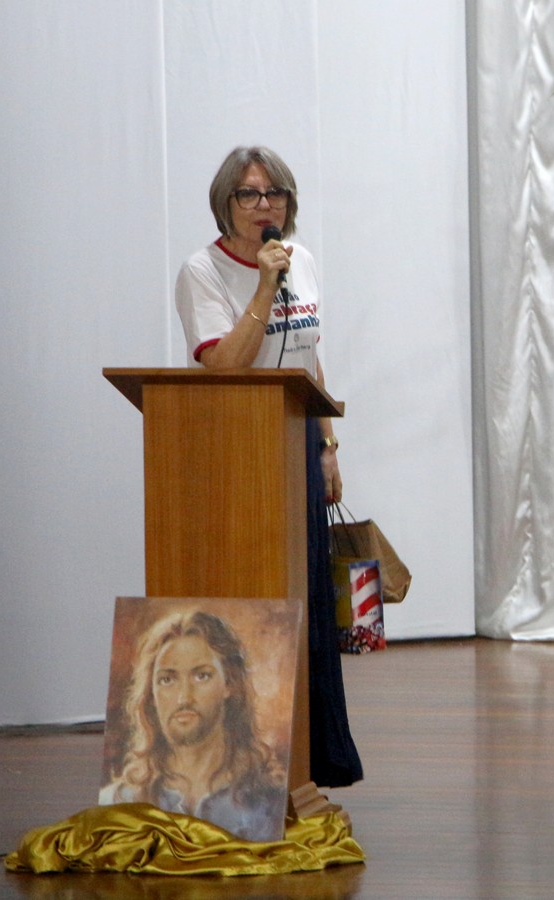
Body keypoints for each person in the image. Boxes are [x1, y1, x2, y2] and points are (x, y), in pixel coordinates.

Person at [174, 146, 362, 788]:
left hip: (297, 442)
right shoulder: (202, 271)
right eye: (249, 194)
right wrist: (261, 285)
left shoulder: (299, 259)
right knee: (259, 602)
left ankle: (309, 761)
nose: (264, 206)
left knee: (307, 599)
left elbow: (309, 356)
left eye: (274, 193)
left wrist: (327, 443)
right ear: (225, 203)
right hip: (238, 452)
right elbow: (223, 364)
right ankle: (246, 770)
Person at [99, 610, 286, 841]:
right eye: (167, 679)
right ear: (151, 694)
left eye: (201, 676)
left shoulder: (270, 804)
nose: (183, 698)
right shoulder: (117, 803)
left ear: (229, 684)